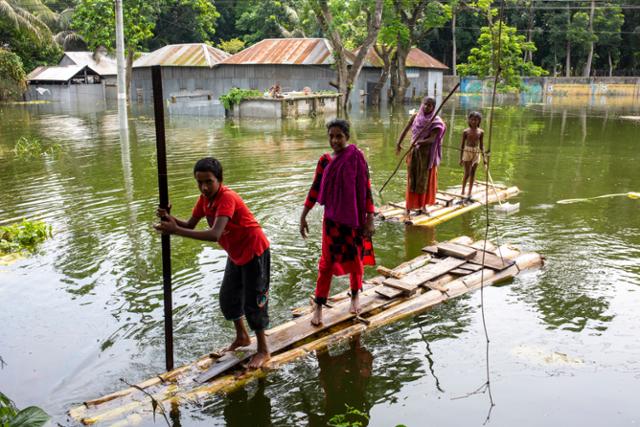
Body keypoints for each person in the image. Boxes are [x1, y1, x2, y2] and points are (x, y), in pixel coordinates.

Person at [154, 157, 271, 369]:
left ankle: (263, 349)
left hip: (254, 251)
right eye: (199, 182)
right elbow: (190, 223)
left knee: (254, 302)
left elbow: (215, 234)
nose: (204, 187)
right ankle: (242, 337)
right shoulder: (204, 200)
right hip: (236, 253)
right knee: (228, 298)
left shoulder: (227, 198)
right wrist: (171, 218)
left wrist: (175, 231)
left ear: (219, 180)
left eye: (209, 181)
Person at [299, 119, 375, 327]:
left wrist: (370, 219)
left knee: (355, 260)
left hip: (355, 221)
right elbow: (314, 189)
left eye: (339, 136)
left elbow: (366, 190)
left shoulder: (357, 158)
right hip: (332, 223)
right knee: (326, 264)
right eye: (331, 136)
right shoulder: (324, 161)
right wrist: (304, 215)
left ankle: (355, 295)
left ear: (347, 137)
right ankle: (319, 306)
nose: (335, 140)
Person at [395, 97, 447, 217]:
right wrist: (399, 143)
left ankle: (423, 206)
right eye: (425, 104)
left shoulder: (436, 121)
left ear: (433, 108)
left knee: (424, 180)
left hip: (427, 155)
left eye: (429, 105)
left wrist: (419, 142)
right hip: (414, 153)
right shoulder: (415, 117)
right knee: (412, 178)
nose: (426, 107)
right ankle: (408, 207)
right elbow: (405, 129)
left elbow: (433, 139)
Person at [459, 111, 486, 200]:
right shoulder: (465, 131)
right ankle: (463, 190)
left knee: (473, 173)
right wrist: (461, 158)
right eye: (472, 120)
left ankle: (469, 192)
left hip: (476, 152)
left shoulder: (481, 132)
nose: (474, 122)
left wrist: (484, 158)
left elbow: (482, 145)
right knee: (467, 173)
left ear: (479, 121)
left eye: (476, 120)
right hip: (467, 151)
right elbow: (462, 145)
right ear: (469, 120)